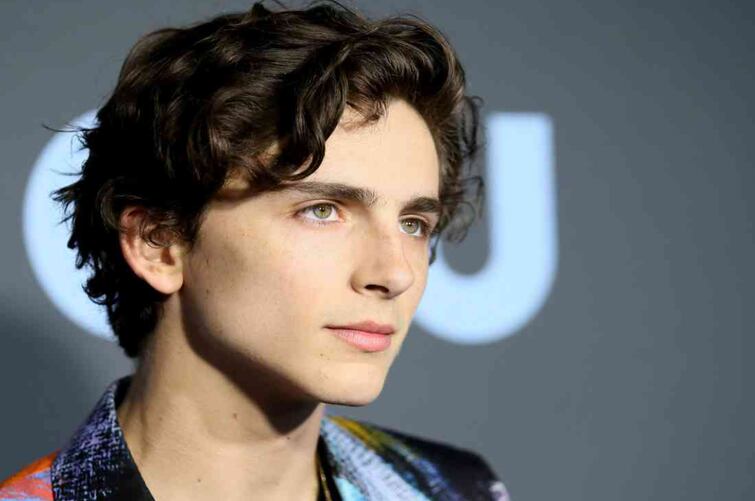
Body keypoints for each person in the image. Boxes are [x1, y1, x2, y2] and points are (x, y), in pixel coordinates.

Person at [0, 1, 509, 499]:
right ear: (159, 243)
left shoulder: (456, 489)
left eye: (414, 224)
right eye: (322, 210)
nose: (395, 273)